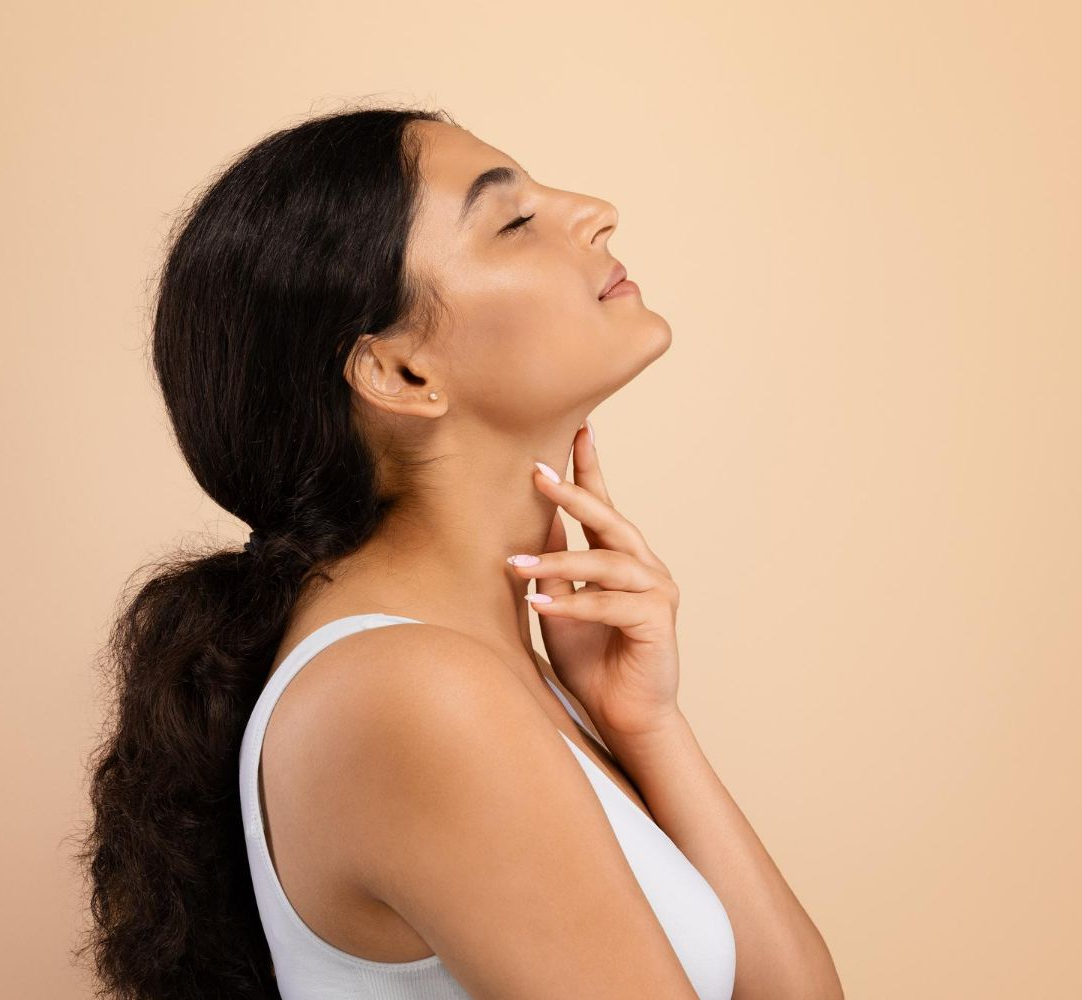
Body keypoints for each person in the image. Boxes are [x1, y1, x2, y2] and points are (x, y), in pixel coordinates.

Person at [77, 104, 843, 1000]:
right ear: (400, 373)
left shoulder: (473, 670)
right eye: (512, 222)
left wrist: (646, 727)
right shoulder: (413, 692)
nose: (595, 209)